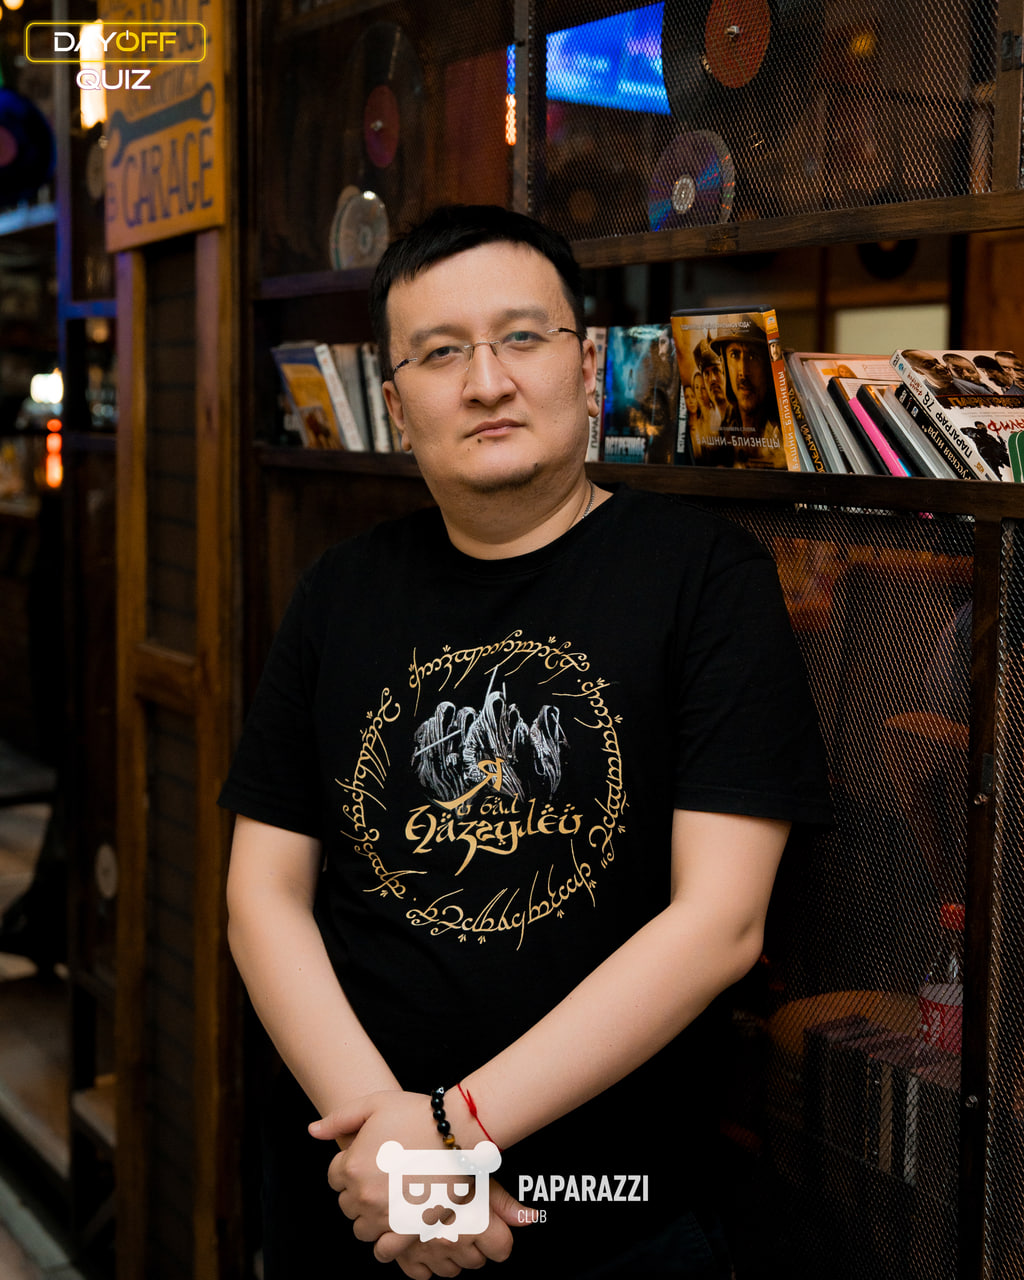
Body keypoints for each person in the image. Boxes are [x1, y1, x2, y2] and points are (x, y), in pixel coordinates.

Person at [220, 204, 831, 1280]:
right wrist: (394, 1149)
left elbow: (721, 921)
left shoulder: (704, 576)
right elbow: (262, 893)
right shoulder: (340, 591)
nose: (487, 380)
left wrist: (451, 1132)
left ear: (587, 367)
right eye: (439, 352)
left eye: (521, 337)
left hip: (605, 1204)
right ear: (395, 403)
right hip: (355, 1189)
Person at [712, 315, 784, 469]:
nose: (743, 372)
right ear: (724, 365)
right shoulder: (722, 432)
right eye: (734, 355)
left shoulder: (786, 434)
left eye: (752, 356)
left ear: (768, 367)